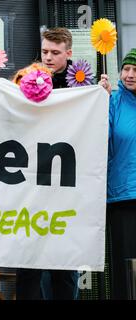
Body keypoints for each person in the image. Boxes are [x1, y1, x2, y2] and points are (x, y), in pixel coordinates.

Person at [16, 28, 79, 300]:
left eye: (55, 52)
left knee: (64, 264)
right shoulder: (27, 78)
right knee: (29, 264)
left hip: (66, 187)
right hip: (31, 184)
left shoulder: (82, 84)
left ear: (69, 53)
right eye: (45, 52)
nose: (49, 58)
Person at [104, 48, 136, 299]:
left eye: (135, 70)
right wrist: (97, 101)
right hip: (123, 197)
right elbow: (99, 138)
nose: (130, 74)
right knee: (124, 266)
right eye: (126, 69)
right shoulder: (112, 101)